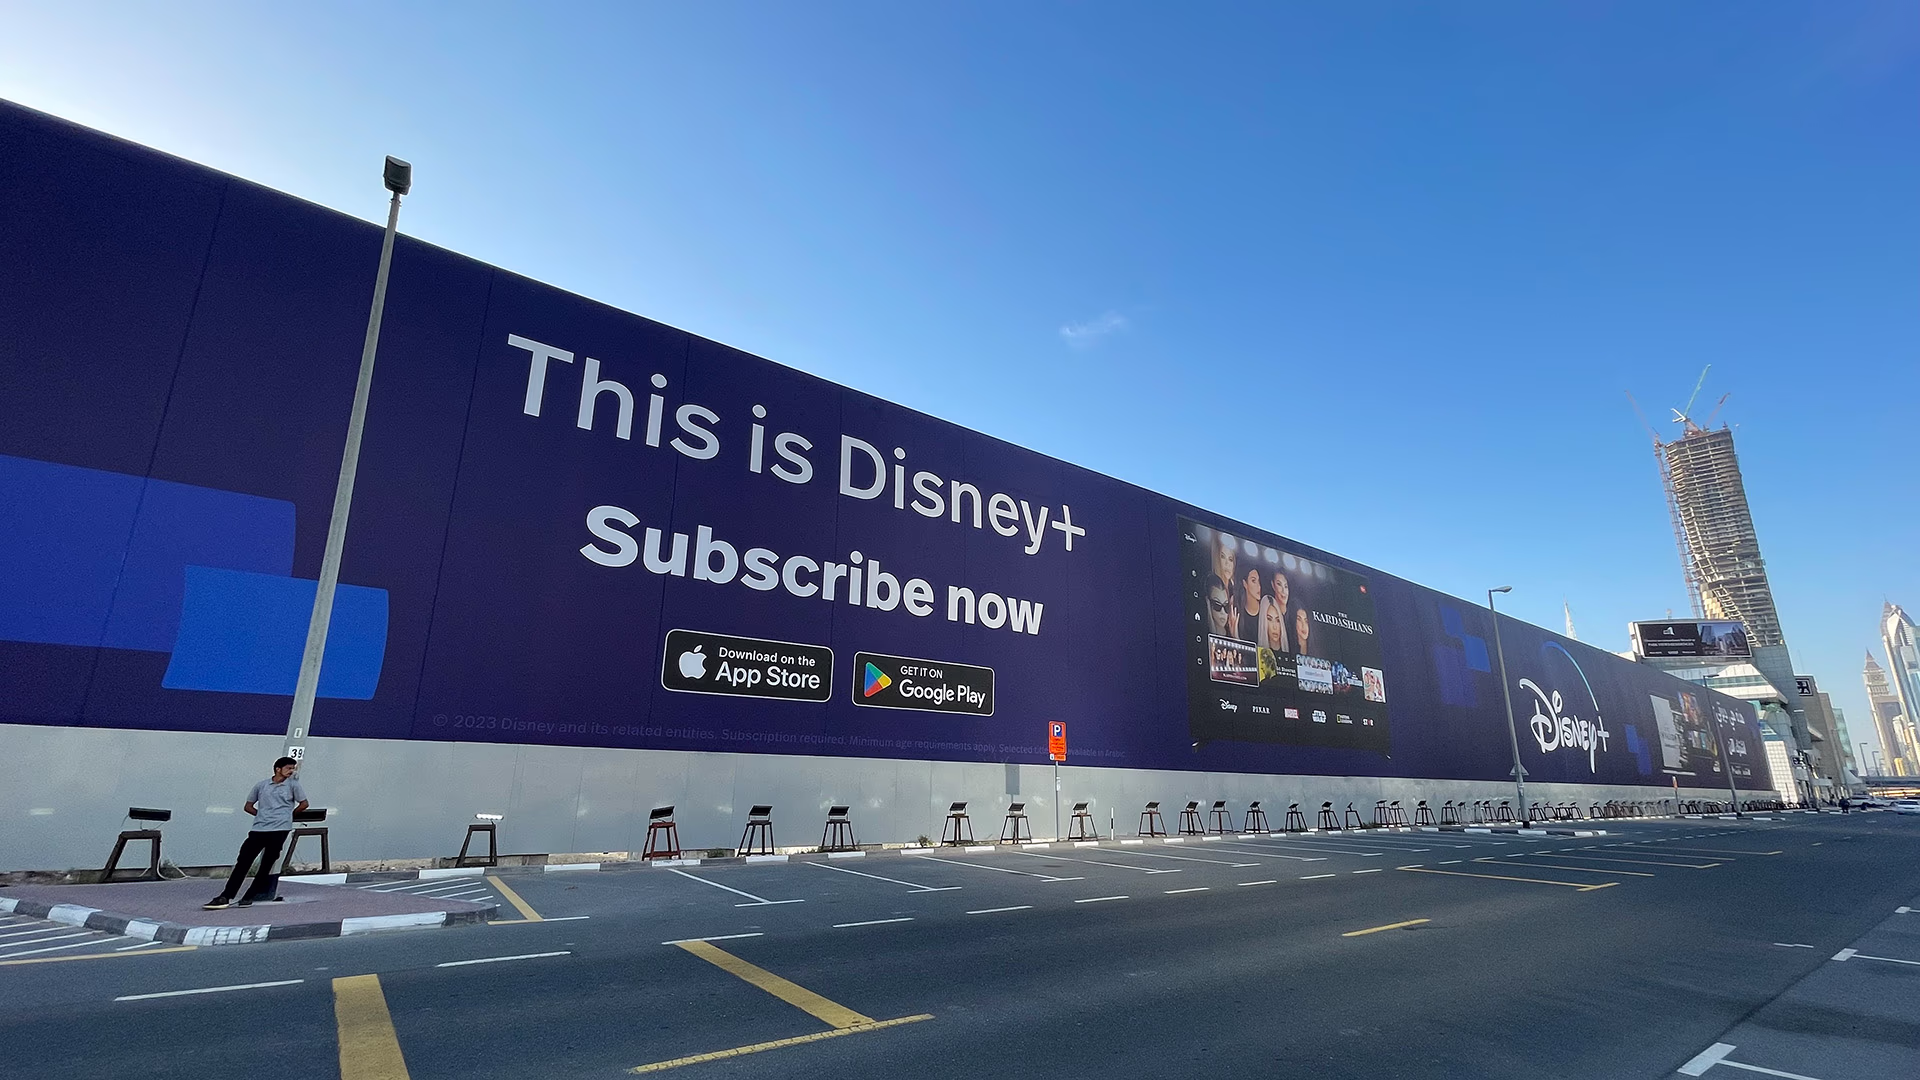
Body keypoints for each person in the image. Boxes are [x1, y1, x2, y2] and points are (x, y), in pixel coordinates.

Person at [205, 756, 309, 909]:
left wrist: (288, 816)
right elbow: (248, 806)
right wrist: (261, 815)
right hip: (259, 829)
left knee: (266, 864)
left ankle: (250, 895)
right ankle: (226, 895)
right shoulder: (261, 785)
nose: (291, 771)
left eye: (293, 768)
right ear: (278, 769)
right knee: (243, 862)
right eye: (288, 768)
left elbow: (304, 803)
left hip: (280, 830)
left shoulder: (293, 786)